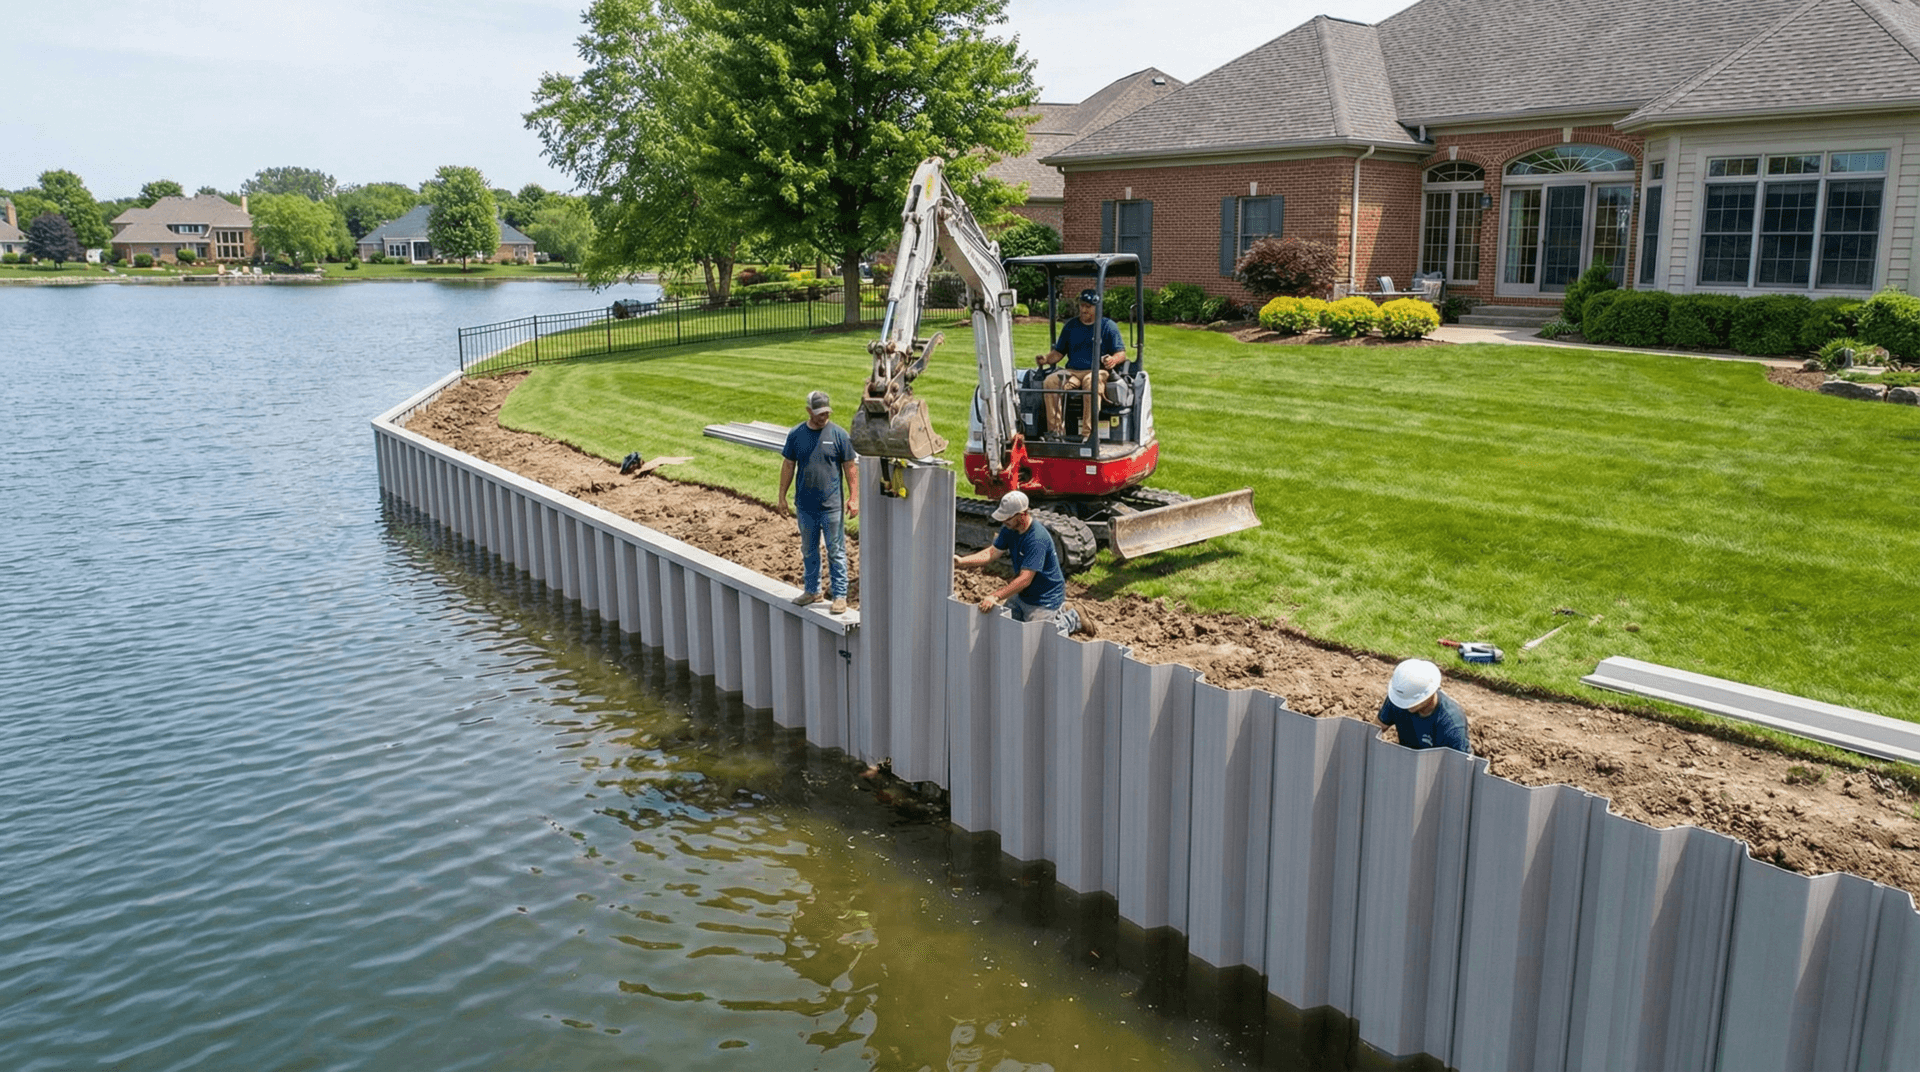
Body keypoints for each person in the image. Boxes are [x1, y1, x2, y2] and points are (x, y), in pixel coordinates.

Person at [952, 491, 1089, 636]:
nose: (1004, 521)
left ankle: (1072, 618)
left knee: (1040, 638)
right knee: (1004, 624)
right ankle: (1056, 614)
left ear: (1022, 514)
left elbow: (1025, 579)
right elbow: (992, 553)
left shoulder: (1037, 538)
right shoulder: (1009, 528)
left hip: (1045, 598)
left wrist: (996, 596)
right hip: (1024, 594)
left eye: (1008, 517)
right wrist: (962, 561)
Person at [778, 390, 858, 615]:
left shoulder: (839, 435)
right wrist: (781, 496)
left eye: (827, 412)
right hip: (805, 505)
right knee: (809, 549)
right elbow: (788, 466)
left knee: (836, 550)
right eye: (819, 412)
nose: (824, 416)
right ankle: (812, 590)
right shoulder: (796, 435)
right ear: (809, 411)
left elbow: (850, 467)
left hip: (831, 506)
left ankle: (840, 595)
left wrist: (854, 498)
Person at [1038, 288, 1127, 439]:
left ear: (1097, 307)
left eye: (1088, 306)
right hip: (1073, 372)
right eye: (1082, 305)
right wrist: (1046, 359)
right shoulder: (1071, 326)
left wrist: (1114, 360)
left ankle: (1088, 434)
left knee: (1090, 381)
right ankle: (1056, 432)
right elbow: (1058, 353)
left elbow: (1121, 353)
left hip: (1097, 371)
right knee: (1051, 382)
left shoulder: (1107, 326)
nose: (1083, 309)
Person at [1376, 659, 1472, 754]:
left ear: (1429, 693)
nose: (1406, 706)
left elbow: (1459, 765)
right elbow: (1374, 729)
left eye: (1412, 702)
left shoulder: (1452, 723)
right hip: (1406, 759)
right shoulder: (1400, 697)